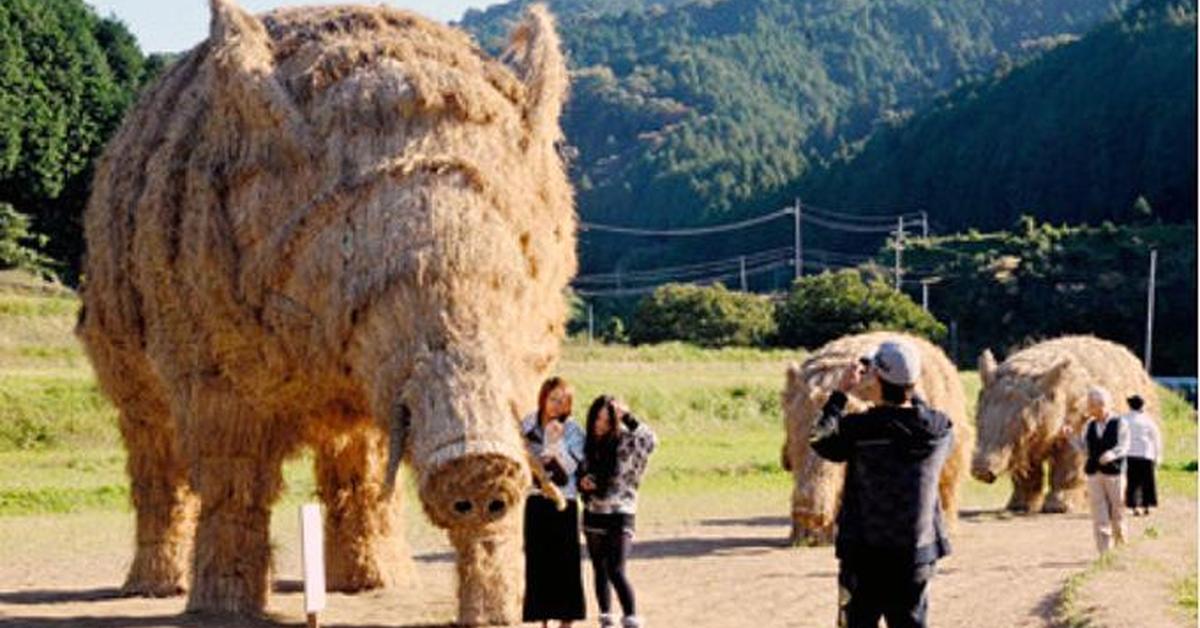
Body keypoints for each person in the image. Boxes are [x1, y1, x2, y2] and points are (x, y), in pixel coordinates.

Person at [809, 340, 954, 628]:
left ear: (875, 378)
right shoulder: (939, 429)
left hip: (863, 558)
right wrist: (910, 389)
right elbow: (920, 414)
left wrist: (840, 394)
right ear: (913, 382)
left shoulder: (858, 429)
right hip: (916, 555)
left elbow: (818, 439)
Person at [578, 395, 657, 628]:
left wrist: (628, 418)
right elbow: (578, 471)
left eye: (606, 419)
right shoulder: (588, 442)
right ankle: (606, 617)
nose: (600, 424)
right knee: (599, 568)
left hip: (621, 511)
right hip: (593, 511)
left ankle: (631, 617)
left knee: (616, 569)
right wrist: (583, 482)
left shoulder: (626, 441)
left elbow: (651, 441)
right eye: (597, 418)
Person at [522, 377, 586, 627]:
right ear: (543, 398)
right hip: (536, 500)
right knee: (538, 561)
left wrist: (555, 442)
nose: (557, 405)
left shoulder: (574, 430)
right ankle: (543, 620)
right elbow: (520, 453)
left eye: (563, 400)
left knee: (566, 563)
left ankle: (566, 621)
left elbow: (571, 469)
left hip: (564, 502)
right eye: (553, 399)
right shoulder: (528, 423)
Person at [1065, 385, 1130, 554]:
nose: (1089, 409)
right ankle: (1104, 552)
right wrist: (1071, 437)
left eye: (1092, 405)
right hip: (1094, 473)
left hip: (1115, 473)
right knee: (1098, 511)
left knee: (1117, 510)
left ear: (1104, 405)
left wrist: (1112, 454)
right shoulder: (1089, 425)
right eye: (1089, 404)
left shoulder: (1120, 422)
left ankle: (1121, 545)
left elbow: (1124, 446)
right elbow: (1084, 449)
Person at [1123, 394, 1161, 516]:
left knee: (1132, 482)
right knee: (1147, 482)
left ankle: (1134, 506)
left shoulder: (1124, 419)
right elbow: (1156, 438)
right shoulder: (1148, 421)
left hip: (1130, 454)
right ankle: (1146, 506)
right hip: (1146, 454)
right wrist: (1157, 455)